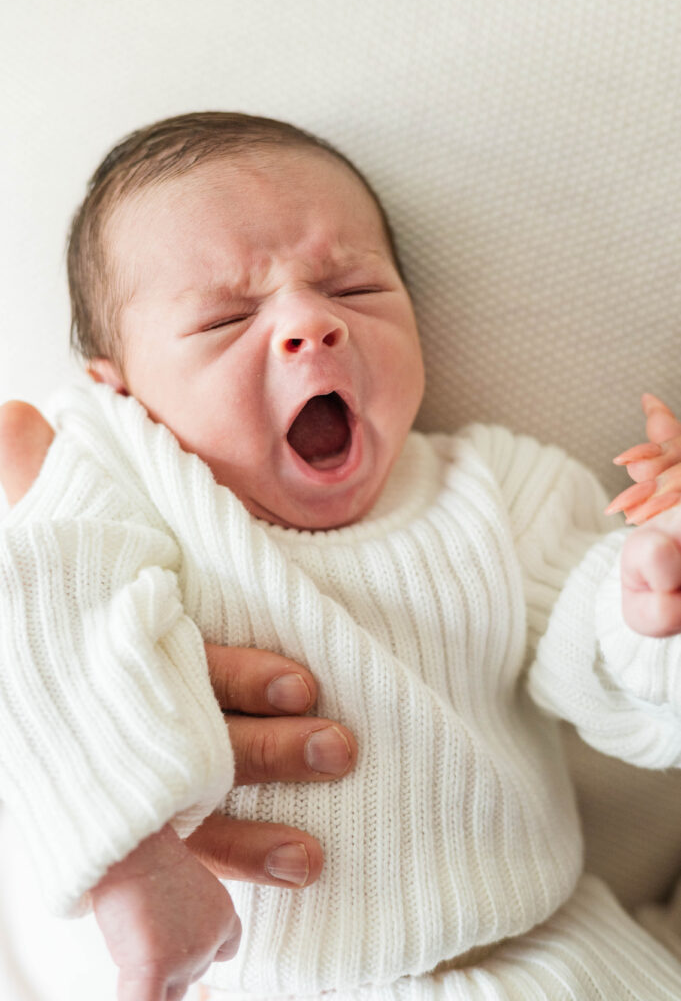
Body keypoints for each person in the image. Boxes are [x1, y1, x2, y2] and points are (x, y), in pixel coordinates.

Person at [3, 111, 681, 1001]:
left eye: (356, 289)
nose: (308, 324)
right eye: (224, 317)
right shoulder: (126, 483)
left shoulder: (491, 488)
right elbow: (42, 612)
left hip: (545, 962)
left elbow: (598, 661)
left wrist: (647, 593)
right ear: (119, 385)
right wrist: (135, 859)